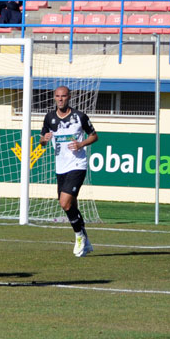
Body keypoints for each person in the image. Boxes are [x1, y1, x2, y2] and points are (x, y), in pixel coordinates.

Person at [39, 86, 98, 257]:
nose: (60, 99)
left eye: (63, 96)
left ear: (69, 97)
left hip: (77, 164)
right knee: (70, 204)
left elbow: (94, 135)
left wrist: (81, 144)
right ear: (54, 98)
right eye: (57, 96)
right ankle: (85, 237)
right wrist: (44, 139)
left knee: (64, 203)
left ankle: (79, 236)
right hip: (61, 167)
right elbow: (42, 141)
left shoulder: (79, 117)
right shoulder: (49, 118)